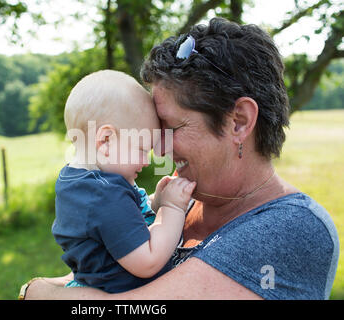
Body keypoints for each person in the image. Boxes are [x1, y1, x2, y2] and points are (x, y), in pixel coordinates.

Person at [23, 18, 339, 300]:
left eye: (172, 127)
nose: (158, 150)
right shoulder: (179, 200)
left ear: (238, 122)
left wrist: (34, 291)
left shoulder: (295, 227)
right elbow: (90, 275)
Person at [25, 70, 196, 295]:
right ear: (106, 141)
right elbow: (148, 260)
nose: (146, 161)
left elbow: (120, 227)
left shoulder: (75, 182)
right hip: (126, 293)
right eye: (142, 149)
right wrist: (171, 208)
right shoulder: (105, 195)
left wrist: (155, 203)